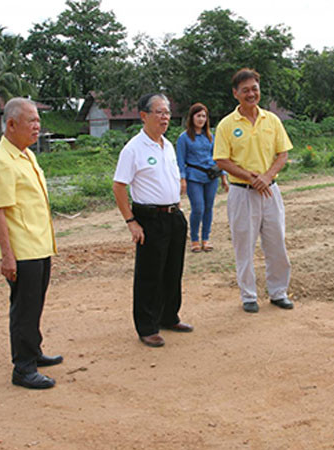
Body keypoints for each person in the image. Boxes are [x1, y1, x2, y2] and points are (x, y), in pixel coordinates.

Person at [0, 98, 63, 389]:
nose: (37, 126)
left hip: (39, 245)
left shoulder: (26, 155)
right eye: (31, 121)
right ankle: (23, 368)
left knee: (35, 304)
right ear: (12, 124)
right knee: (24, 309)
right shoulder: (0, 161)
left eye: (38, 121)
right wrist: (7, 256)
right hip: (22, 250)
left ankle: (34, 351)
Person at [112, 93, 194, 348]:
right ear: (144, 116)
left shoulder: (167, 145)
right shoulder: (133, 149)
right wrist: (131, 221)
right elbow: (119, 186)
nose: (165, 117)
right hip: (149, 218)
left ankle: (169, 316)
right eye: (159, 112)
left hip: (173, 216)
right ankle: (147, 326)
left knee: (172, 271)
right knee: (150, 275)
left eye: (168, 112)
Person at [213, 68, 294, 313]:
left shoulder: (272, 120)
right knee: (244, 245)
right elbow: (221, 160)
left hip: (270, 191)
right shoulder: (227, 125)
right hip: (241, 193)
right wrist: (251, 177)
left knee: (276, 242)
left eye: (255, 89)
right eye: (245, 90)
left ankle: (278, 292)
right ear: (235, 93)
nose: (251, 94)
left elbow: (283, 154)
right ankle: (248, 295)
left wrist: (267, 177)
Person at [176, 103, 228, 253]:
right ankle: (194, 239)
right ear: (191, 117)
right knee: (198, 208)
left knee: (208, 208)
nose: (201, 119)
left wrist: (224, 177)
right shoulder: (184, 138)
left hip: (211, 176)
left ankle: (205, 238)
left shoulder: (211, 137)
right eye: (198, 115)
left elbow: (219, 158)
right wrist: (182, 179)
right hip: (194, 177)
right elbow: (180, 161)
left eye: (204, 116)